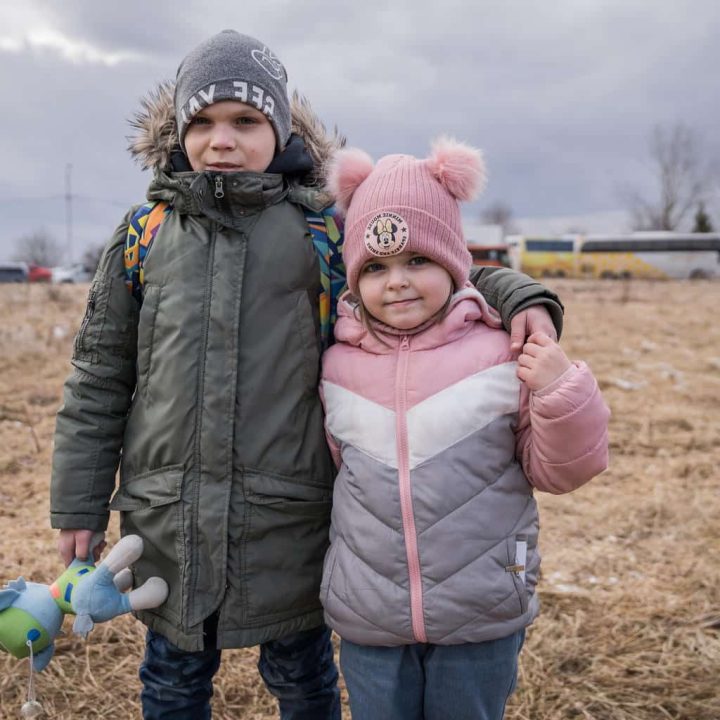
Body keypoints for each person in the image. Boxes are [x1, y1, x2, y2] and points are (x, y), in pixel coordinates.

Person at [50, 30, 566, 720]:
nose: (221, 140)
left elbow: (425, 271)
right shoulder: (145, 235)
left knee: (304, 680)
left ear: (280, 128)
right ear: (177, 131)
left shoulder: (320, 230)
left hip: (291, 516)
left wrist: (520, 295)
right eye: (201, 122)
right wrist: (78, 505)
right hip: (168, 517)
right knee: (171, 680)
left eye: (245, 121)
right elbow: (97, 376)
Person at [319, 139, 610, 720]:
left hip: (481, 607)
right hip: (371, 614)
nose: (396, 282)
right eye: (375, 267)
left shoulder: (502, 354)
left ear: (455, 263)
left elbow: (563, 471)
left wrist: (558, 390)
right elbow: (337, 471)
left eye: (418, 261)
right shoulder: (336, 365)